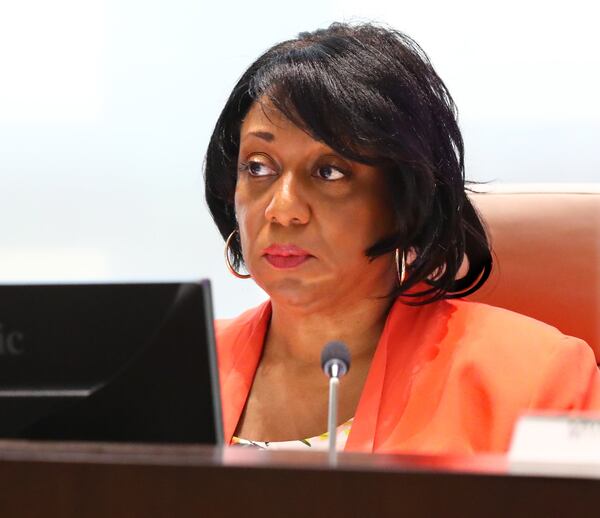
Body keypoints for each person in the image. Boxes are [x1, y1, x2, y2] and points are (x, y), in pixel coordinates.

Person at [204, 22, 600, 454]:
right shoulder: (178, 366)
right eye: (258, 166)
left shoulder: (535, 376)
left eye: (329, 172)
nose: (282, 208)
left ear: (403, 196)